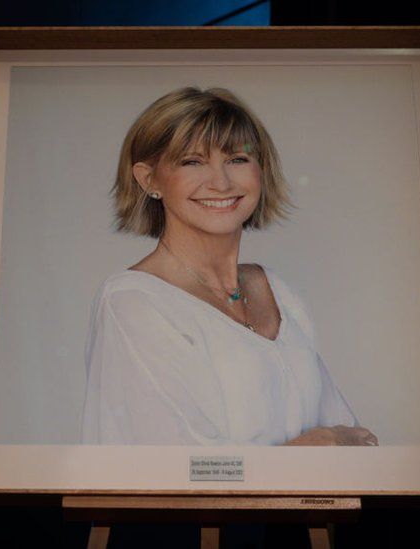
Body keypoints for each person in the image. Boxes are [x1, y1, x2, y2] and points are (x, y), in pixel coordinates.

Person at [79, 87, 377, 447]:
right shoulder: (132, 302)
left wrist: (327, 443)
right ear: (149, 180)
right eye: (192, 161)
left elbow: (356, 440)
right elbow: (178, 474)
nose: (221, 182)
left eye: (237, 159)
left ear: (260, 171)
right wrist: (317, 446)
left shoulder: (278, 291)